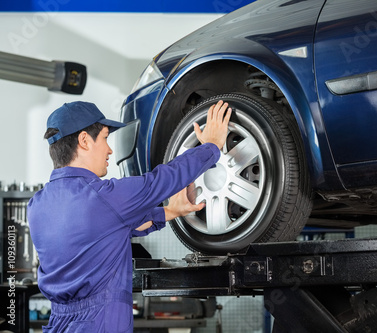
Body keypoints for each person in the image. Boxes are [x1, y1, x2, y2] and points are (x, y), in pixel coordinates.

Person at [27, 100, 231, 333]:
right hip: (99, 325)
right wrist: (211, 146)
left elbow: (110, 231)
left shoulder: (37, 205)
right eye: (105, 138)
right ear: (84, 140)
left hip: (58, 324)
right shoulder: (103, 197)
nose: (110, 150)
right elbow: (164, 179)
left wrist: (172, 210)